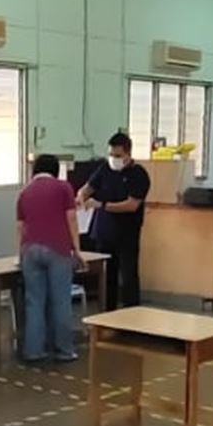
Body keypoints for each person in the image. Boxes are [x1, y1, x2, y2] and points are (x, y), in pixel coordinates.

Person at [14, 153, 83, 365]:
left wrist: (21, 253)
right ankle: (64, 350)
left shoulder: (24, 192)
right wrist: (77, 250)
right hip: (57, 249)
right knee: (60, 300)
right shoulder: (63, 188)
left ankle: (34, 351)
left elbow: (20, 226)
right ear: (55, 171)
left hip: (30, 250)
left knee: (34, 302)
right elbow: (71, 218)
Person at [79, 131, 151, 307]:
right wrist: (81, 197)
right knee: (107, 277)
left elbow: (132, 205)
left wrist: (102, 205)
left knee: (128, 277)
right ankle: (108, 314)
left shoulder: (138, 174)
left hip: (127, 234)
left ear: (128, 154)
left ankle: (131, 316)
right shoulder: (105, 169)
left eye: (118, 155)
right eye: (111, 154)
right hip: (105, 233)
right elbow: (87, 188)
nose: (113, 159)